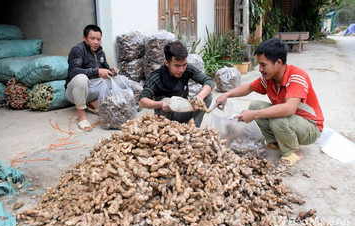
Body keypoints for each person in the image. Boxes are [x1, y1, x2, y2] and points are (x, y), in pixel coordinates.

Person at [216, 38, 324, 166]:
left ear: (278, 63)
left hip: (310, 127)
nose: (260, 69)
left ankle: (294, 150)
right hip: (291, 120)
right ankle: (275, 141)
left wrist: (254, 114)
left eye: (263, 65)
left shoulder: (296, 77)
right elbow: (249, 88)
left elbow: (289, 109)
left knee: (276, 119)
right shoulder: (269, 78)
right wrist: (226, 94)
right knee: (255, 105)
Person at [139, 41, 214, 127]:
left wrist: (200, 97)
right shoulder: (157, 76)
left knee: (208, 96)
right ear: (167, 63)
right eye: (177, 66)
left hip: (184, 111)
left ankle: (194, 129)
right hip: (166, 116)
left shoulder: (187, 69)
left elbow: (209, 81)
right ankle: (166, 131)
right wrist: (160, 104)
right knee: (166, 100)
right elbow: (142, 101)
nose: (181, 70)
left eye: (184, 65)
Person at [65, 24, 118, 131]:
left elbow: (105, 69)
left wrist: (112, 71)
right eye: (92, 38)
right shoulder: (78, 50)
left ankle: (93, 102)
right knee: (81, 78)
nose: (96, 42)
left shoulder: (100, 52)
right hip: (75, 91)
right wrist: (97, 71)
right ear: (84, 38)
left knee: (119, 80)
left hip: (91, 89)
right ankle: (81, 117)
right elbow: (73, 72)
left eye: (98, 39)